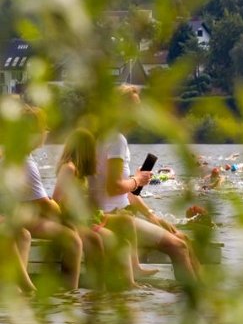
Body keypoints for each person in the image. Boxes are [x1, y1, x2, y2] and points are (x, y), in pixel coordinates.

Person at [94, 84, 198, 283]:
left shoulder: (108, 136)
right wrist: (137, 180)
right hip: (114, 218)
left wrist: (151, 215)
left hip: (117, 213)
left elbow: (122, 191)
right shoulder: (116, 140)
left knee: (181, 237)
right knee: (179, 246)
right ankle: (193, 298)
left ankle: (199, 291)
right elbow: (114, 186)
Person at [53, 128, 139, 289]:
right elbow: (57, 200)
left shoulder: (80, 172)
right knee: (99, 240)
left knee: (124, 228)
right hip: (69, 220)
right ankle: (100, 286)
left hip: (81, 218)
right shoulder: (69, 168)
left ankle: (126, 283)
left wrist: (94, 215)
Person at [14, 106, 83, 290]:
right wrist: (66, 215)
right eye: (44, 128)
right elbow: (45, 205)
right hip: (16, 219)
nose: (46, 133)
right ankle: (70, 294)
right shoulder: (27, 164)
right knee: (73, 239)